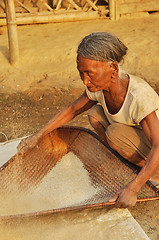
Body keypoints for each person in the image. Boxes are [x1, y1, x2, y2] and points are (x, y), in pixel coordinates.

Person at [18, 32, 159, 208]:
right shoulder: (98, 87)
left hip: (154, 148)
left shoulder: (139, 96)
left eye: (90, 74)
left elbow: (157, 145)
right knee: (94, 114)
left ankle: (155, 176)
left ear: (113, 69)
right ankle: (132, 165)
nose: (85, 80)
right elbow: (71, 110)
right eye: (81, 73)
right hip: (134, 139)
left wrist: (133, 188)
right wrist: (37, 135)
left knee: (115, 134)